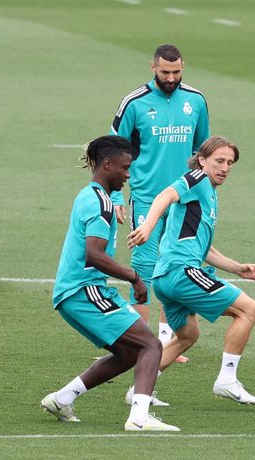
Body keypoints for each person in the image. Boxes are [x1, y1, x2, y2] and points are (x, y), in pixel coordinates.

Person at [41, 135, 178, 432]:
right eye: (125, 168)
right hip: (83, 290)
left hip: (78, 290)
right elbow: (94, 255)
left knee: (129, 353)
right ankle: (139, 418)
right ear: (107, 164)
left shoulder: (88, 194)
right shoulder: (100, 203)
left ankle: (61, 399)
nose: (128, 175)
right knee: (151, 345)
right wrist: (135, 277)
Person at [127, 136, 255, 405]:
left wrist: (237, 268)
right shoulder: (198, 178)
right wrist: (148, 226)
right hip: (181, 272)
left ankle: (139, 391)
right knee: (248, 309)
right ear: (202, 160)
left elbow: (205, 250)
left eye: (230, 163)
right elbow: (166, 195)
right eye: (219, 161)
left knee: (188, 335)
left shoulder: (208, 194)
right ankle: (227, 379)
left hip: (166, 278)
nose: (225, 168)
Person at [109, 44, 210, 365]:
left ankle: (168, 341)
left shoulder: (196, 100)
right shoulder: (135, 103)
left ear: (184, 67)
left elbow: (202, 153)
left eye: (177, 72)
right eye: (165, 72)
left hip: (184, 202)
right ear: (153, 67)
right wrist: (113, 196)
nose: (171, 77)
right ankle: (140, 341)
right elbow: (112, 150)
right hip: (146, 199)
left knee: (174, 267)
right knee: (143, 270)